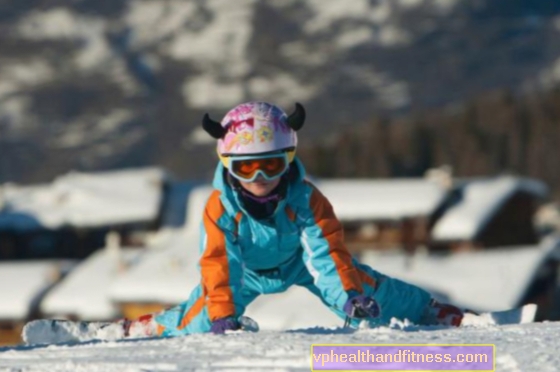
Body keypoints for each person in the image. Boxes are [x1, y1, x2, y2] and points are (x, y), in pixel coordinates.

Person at [124, 101, 465, 338]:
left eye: (270, 164)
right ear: (227, 164)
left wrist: (348, 296)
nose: (258, 175)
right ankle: (152, 327)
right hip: (247, 273)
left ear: (287, 160)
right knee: (201, 318)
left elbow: (327, 254)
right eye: (245, 167)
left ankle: (427, 310)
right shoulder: (221, 207)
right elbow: (219, 264)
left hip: (301, 263)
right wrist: (223, 315)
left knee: (368, 293)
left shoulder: (305, 199)